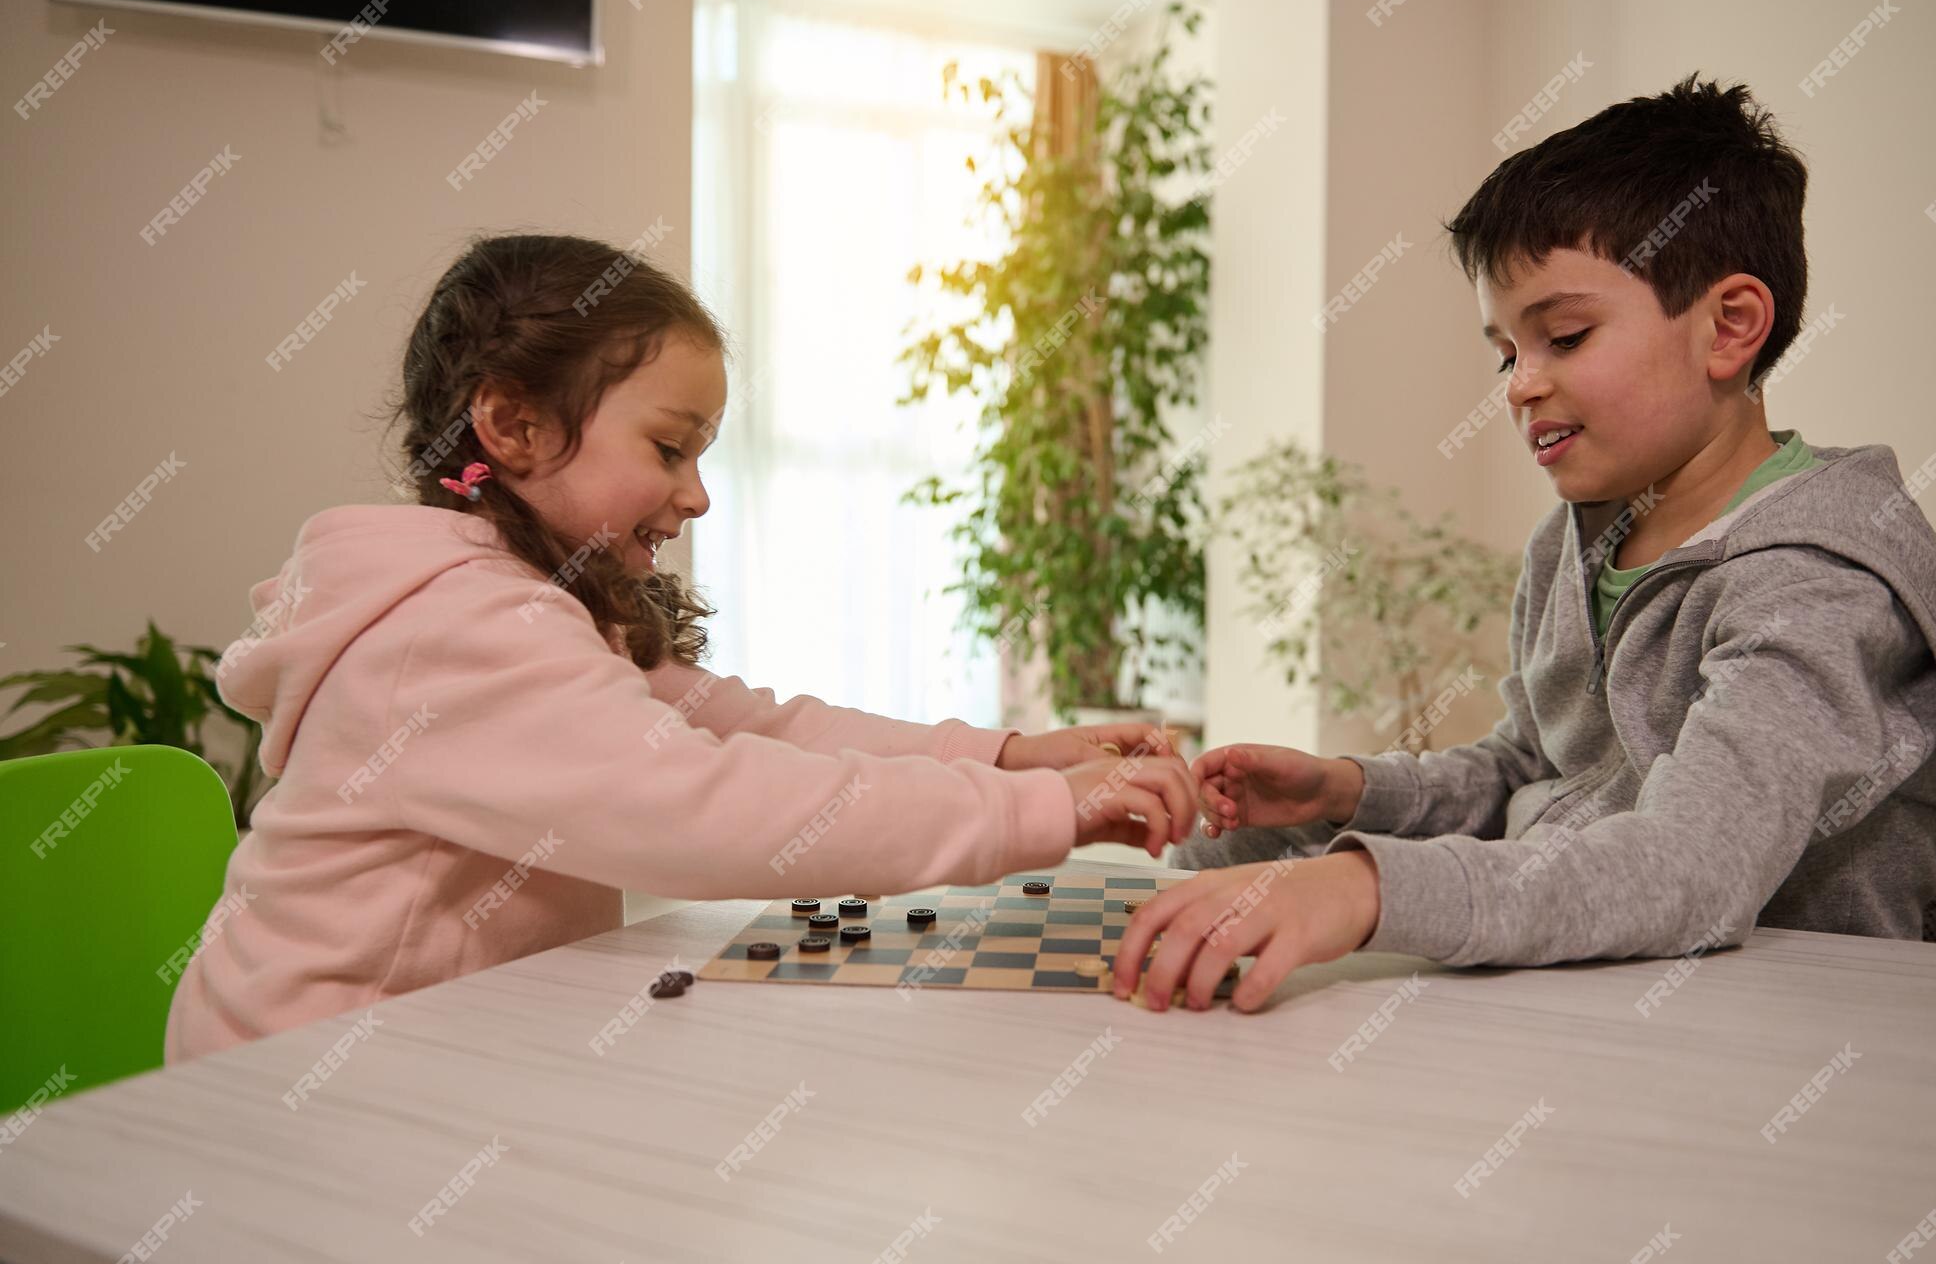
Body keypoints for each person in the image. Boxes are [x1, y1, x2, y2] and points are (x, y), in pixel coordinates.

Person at [165, 232, 1197, 1060]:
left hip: (431, 1055)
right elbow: (711, 806)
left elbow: (756, 724)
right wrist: (1044, 809)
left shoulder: (533, 606)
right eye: (669, 448)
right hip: (295, 1084)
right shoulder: (451, 634)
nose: (695, 495)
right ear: (512, 424)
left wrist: (1011, 755)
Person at [1123, 73, 1936, 1013]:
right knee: (1229, 851)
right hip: (1607, 981)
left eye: (1566, 337)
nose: (1518, 386)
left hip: (1773, 1021)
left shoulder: (1822, 586)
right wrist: (1341, 791)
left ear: (1731, 326)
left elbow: (1691, 864)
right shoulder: (1575, 541)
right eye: (1507, 353)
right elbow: (1526, 770)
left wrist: (1370, 887)